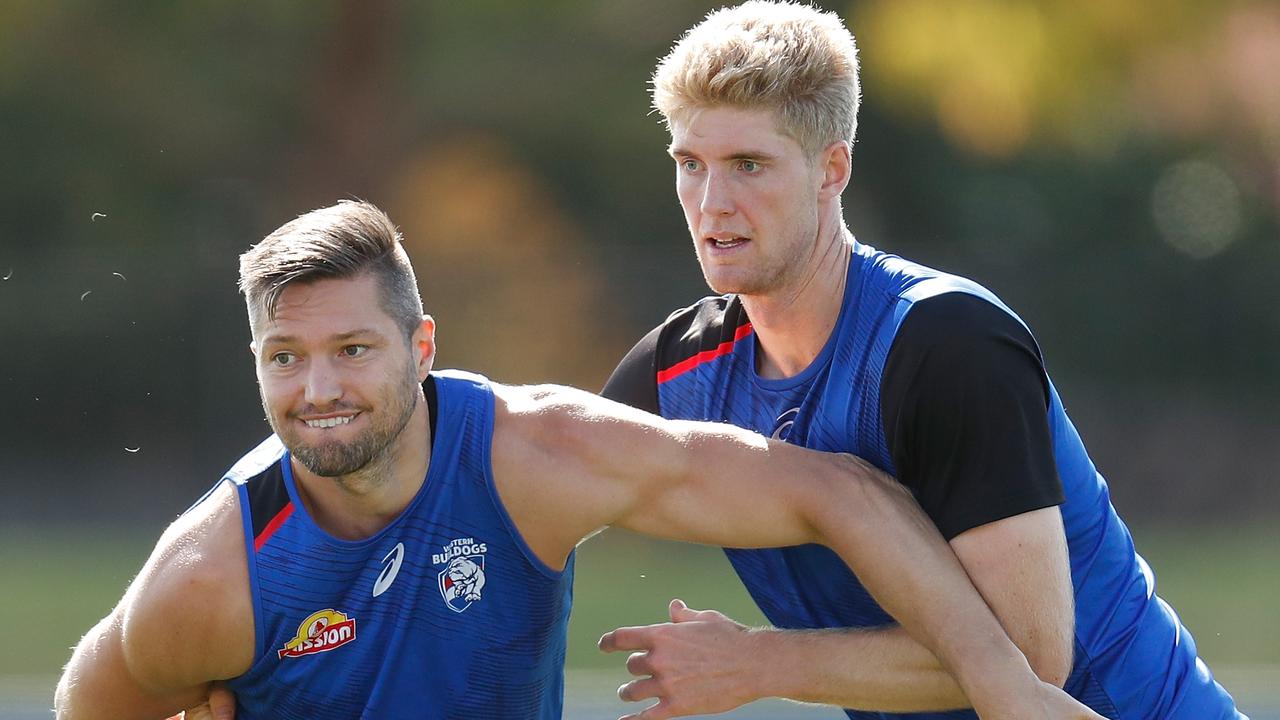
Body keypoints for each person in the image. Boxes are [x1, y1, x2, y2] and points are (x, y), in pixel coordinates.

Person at [53, 201, 1097, 720]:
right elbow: (86, 707)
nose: (317, 388)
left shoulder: (535, 458)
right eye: (285, 358)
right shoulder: (212, 578)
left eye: (352, 350)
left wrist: (1001, 683)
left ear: (421, 350)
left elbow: (832, 491)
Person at [598, 2, 1247, 719]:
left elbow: (1030, 661)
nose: (713, 202)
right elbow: (528, 467)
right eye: (691, 164)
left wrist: (758, 661)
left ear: (831, 169)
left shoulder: (945, 345)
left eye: (748, 164)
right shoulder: (676, 370)